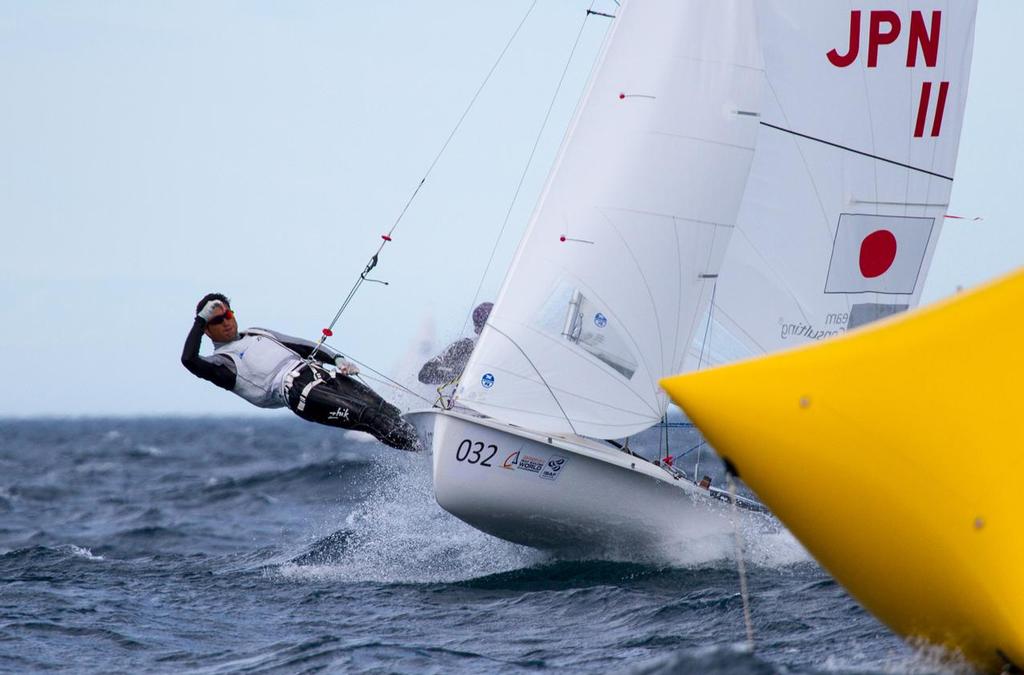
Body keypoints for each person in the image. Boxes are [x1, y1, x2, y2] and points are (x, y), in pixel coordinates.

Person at [181, 293, 420, 451]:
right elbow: (189, 360)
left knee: (386, 409)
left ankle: (433, 441)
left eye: (228, 315)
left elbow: (303, 346)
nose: (226, 322)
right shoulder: (223, 363)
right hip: (299, 393)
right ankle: (423, 450)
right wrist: (199, 320)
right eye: (217, 320)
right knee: (369, 417)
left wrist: (336, 359)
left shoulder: (257, 332)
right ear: (207, 331)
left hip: (319, 374)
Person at [418, 302, 492, 385]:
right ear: (477, 329)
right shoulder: (465, 347)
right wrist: (456, 371)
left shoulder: (508, 350)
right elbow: (425, 374)